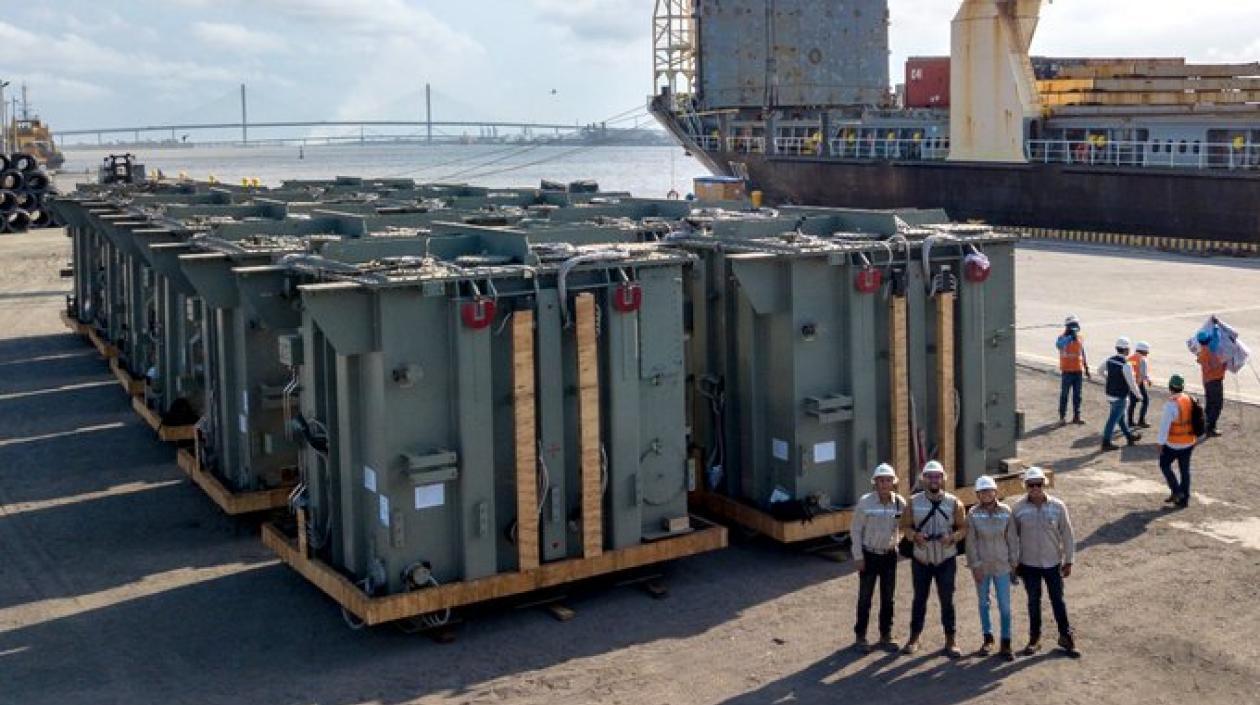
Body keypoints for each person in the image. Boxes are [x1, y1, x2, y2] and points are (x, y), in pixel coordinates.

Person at [900, 460, 967, 657]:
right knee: (919, 599)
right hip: (921, 559)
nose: (933, 480)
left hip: (946, 559)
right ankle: (914, 638)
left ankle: (951, 640)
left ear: (943, 478)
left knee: (947, 600)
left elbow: (964, 528)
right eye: (929, 476)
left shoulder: (954, 502)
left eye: (937, 476)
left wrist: (952, 537)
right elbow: (904, 526)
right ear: (923, 479)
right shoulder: (913, 502)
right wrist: (914, 536)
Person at [1012, 467, 1079, 658]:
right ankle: (1035, 639)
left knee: (1058, 600)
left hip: (1052, 563)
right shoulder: (1018, 509)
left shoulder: (1058, 506)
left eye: (1038, 484)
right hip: (1028, 564)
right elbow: (1012, 537)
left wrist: (1069, 560)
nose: (1035, 488)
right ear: (1025, 486)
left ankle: (1066, 637)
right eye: (1031, 484)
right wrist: (1014, 562)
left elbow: (1067, 534)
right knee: (1033, 602)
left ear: (1044, 484)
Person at [850, 463, 907, 653]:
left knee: (888, 598)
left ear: (893, 482)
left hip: (889, 557)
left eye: (888, 480)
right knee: (865, 597)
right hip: (869, 555)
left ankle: (886, 635)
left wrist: (897, 542)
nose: (884, 484)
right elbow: (855, 530)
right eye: (881, 480)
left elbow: (905, 526)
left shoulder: (899, 503)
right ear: (875, 483)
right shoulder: (865, 503)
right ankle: (861, 636)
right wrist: (858, 556)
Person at [966, 475, 1020, 661]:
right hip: (982, 566)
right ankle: (988, 638)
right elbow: (970, 543)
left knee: (1004, 605)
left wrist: (1014, 563)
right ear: (978, 495)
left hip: (1002, 565)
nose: (986, 494)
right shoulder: (973, 514)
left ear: (995, 492)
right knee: (983, 603)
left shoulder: (1006, 511)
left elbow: (1012, 539)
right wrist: (975, 566)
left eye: (989, 491)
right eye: (982, 492)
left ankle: (1006, 641)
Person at [1157, 374, 1198, 508]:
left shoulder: (1170, 405)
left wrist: (1160, 443)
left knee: (1164, 465)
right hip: (1189, 442)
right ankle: (1184, 499)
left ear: (1170, 387)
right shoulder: (1189, 399)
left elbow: (1164, 427)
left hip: (1173, 444)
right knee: (1185, 470)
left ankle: (1176, 491)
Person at [1099, 337, 1143, 451]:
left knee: (1120, 418)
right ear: (1126, 350)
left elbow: (1100, 370)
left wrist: (1108, 378)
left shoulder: (1110, 360)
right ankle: (1106, 442)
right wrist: (1139, 395)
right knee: (1113, 419)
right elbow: (1131, 383)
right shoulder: (1126, 365)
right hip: (1120, 396)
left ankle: (1129, 437)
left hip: (1110, 393)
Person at [1055, 315, 1091, 425]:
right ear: (1067, 327)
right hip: (1067, 371)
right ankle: (1062, 417)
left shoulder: (1079, 338)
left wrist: (1086, 368)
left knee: (1077, 395)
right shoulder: (1062, 338)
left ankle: (1077, 416)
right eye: (1073, 325)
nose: (1075, 327)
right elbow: (1059, 345)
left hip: (1078, 371)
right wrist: (1070, 338)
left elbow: (1082, 353)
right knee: (1064, 395)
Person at [1194, 330, 1227, 437]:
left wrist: (1215, 328)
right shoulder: (1211, 351)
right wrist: (1224, 364)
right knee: (1216, 405)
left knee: (1209, 404)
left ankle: (1205, 425)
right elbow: (1215, 366)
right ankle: (1210, 428)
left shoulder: (1202, 351)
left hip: (1207, 381)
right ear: (1208, 340)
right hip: (1214, 381)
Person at [1127, 341, 1153, 429]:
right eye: (1147, 351)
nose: (1147, 353)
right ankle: (1141, 421)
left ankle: (1130, 422)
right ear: (1144, 351)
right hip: (1139, 384)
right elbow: (1144, 374)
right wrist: (1149, 381)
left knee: (1132, 403)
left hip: (1130, 384)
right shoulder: (1142, 359)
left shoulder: (1130, 358)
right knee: (1146, 401)